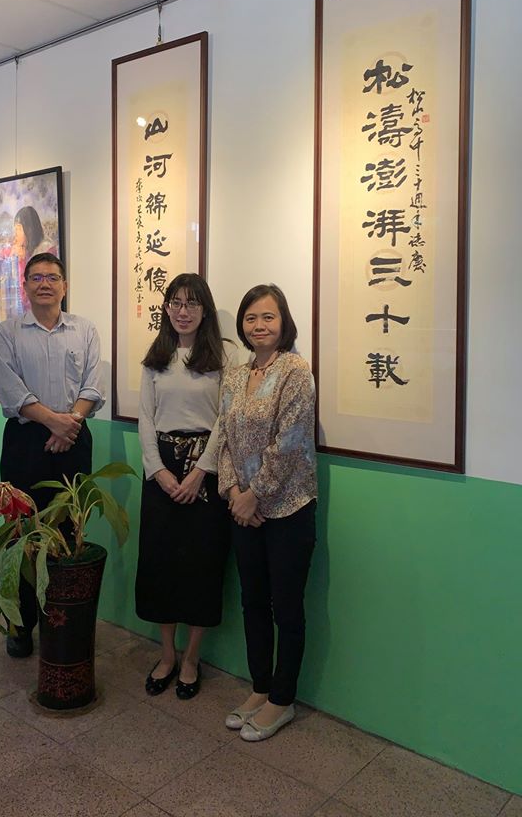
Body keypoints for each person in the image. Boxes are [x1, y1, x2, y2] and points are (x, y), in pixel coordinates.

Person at [0, 252, 104, 657]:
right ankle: (21, 623)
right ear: (25, 286)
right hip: (26, 442)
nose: (44, 284)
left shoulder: (85, 330)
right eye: (36, 277)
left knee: (69, 529)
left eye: (52, 277)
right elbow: (11, 391)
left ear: (64, 286)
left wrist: (68, 424)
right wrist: (56, 423)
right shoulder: (6, 333)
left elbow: (93, 386)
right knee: (22, 531)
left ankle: (62, 618)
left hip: (74, 437)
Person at [217, 284, 317, 741]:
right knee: (252, 601)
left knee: (287, 607)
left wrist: (254, 494)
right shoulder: (235, 376)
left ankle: (282, 699)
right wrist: (233, 491)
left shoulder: (296, 371)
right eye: (251, 318)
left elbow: (290, 442)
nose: (259, 325)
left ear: (283, 322)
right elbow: (224, 438)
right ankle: (260, 687)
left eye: (268, 317)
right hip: (244, 510)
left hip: (289, 509)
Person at [135, 273, 231, 700]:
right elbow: (145, 418)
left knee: (201, 564)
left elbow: (226, 419)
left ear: (204, 310)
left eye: (192, 303)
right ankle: (167, 654)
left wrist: (200, 472)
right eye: (175, 302)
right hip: (162, 467)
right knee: (160, 563)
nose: (183, 311)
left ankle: (192, 657)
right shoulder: (156, 357)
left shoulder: (224, 356)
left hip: (205, 469)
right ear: (166, 308)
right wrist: (158, 471)